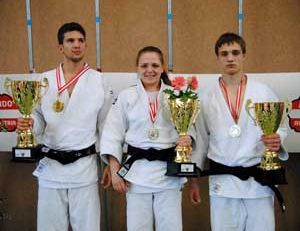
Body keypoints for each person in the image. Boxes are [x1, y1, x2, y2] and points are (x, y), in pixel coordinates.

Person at [17, 22, 112, 231]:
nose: (76, 45)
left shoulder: (98, 81)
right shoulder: (45, 80)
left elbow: (106, 125)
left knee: (87, 227)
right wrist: (30, 123)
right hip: (51, 169)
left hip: (84, 168)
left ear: (86, 46)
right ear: (61, 47)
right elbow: (39, 117)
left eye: (81, 41)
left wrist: (108, 163)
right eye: (70, 41)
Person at [189, 32, 288, 231]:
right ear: (217, 58)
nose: (230, 58)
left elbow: (281, 127)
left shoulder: (263, 92)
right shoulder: (206, 97)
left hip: (258, 181)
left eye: (235, 52)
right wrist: (193, 181)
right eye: (224, 54)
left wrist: (278, 140)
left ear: (244, 55)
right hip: (223, 182)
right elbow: (200, 141)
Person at [100, 46, 193, 231]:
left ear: (163, 67)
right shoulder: (127, 96)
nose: (149, 70)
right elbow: (112, 133)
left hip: (169, 173)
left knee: (171, 227)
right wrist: (115, 167)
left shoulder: (176, 95)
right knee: (137, 227)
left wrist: (187, 139)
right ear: (137, 67)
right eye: (144, 65)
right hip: (137, 173)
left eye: (154, 65)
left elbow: (189, 128)